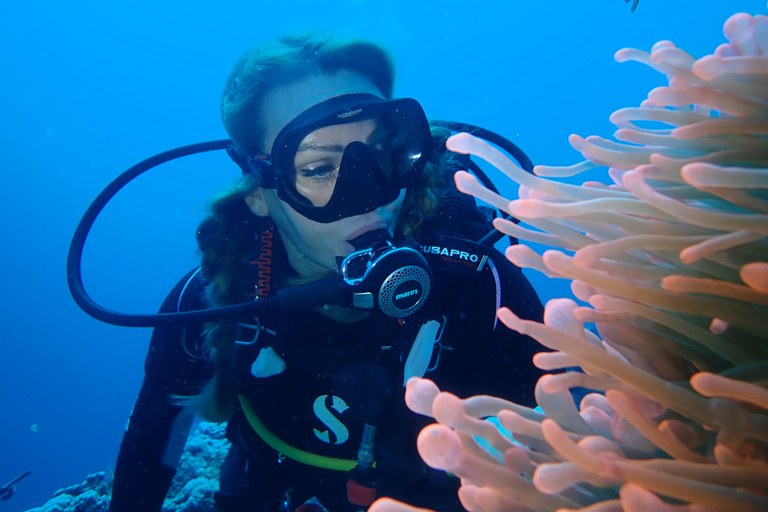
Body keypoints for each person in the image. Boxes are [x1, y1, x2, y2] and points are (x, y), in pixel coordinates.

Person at [109, 33, 544, 512]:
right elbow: (152, 458)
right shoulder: (215, 302)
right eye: (318, 168)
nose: (371, 196)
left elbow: (569, 441)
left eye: (379, 153)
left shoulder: (475, 281)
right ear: (258, 192)